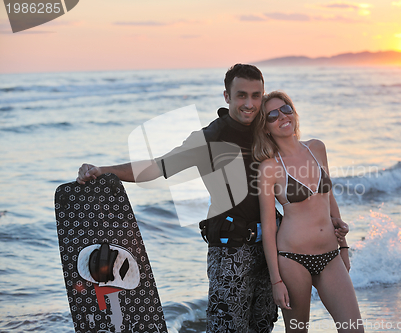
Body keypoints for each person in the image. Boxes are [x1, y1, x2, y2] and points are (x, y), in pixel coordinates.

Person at [76, 64, 279, 333]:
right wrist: (104, 170)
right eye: (241, 95)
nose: (249, 104)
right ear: (227, 96)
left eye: (256, 96)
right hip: (232, 248)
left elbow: (296, 171)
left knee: (263, 325)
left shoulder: (267, 131)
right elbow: (157, 166)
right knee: (227, 328)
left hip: (273, 245)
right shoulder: (209, 139)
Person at [254, 91, 363, 332]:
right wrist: (276, 281)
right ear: (265, 127)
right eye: (272, 114)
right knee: (298, 330)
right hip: (293, 260)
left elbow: (329, 198)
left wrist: (343, 245)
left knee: (354, 329)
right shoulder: (269, 168)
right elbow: (269, 227)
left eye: (286, 109)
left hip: (330, 256)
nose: (282, 116)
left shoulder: (316, 148)